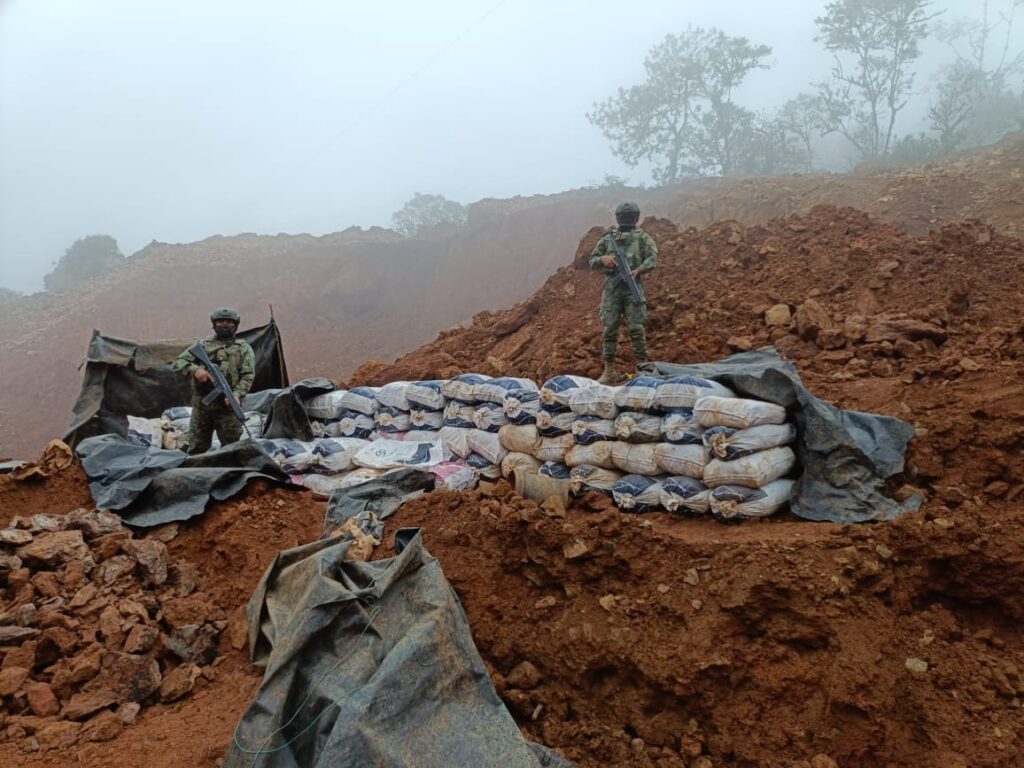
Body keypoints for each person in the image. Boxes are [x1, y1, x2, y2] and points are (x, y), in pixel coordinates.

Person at [588, 201, 658, 384]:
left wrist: (639, 270)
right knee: (609, 330)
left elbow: (653, 257)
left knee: (636, 328)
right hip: (612, 289)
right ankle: (609, 370)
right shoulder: (608, 238)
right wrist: (604, 259)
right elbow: (592, 260)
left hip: (632, 288)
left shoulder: (642, 237)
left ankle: (642, 368)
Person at [171, 307, 255, 454]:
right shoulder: (203, 345)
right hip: (203, 408)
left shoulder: (243, 348)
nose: (224, 324)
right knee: (197, 448)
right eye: (220, 321)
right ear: (214, 324)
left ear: (235, 325)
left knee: (232, 449)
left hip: (227, 409)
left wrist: (236, 394)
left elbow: (248, 375)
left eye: (228, 322)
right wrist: (195, 370)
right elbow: (178, 363)